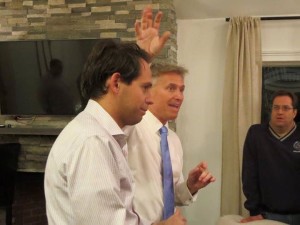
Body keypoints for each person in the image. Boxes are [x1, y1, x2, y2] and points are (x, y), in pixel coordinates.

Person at [44, 7, 186, 225]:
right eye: (145, 88)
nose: (150, 99)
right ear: (116, 83)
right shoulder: (92, 142)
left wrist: (143, 57)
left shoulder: (98, 133)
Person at [126, 63, 216, 223]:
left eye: (182, 90)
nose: (179, 96)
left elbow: (171, 195)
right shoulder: (130, 129)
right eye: (171, 88)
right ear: (148, 91)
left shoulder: (173, 140)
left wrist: (190, 186)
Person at [240, 89, 300, 225]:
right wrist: (254, 211)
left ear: (294, 113)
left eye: (285, 108)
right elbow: (249, 176)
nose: (280, 112)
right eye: (276, 107)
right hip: (267, 215)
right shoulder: (256, 134)